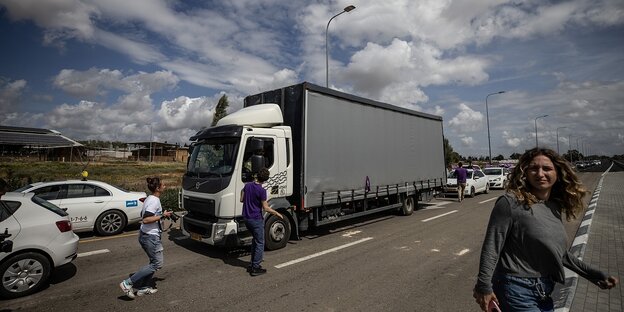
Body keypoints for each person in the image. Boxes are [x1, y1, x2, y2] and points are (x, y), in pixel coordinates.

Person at [473, 148, 618, 311]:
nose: (540, 173)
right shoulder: (510, 202)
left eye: (547, 168)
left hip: (544, 290)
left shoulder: (554, 206)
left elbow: (558, 254)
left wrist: (592, 274)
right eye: (534, 168)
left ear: (558, 173)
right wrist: (484, 286)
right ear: (525, 173)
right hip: (515, 289)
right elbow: (491, 248)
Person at [120, 177, 172, 299]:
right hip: (150, 237)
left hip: (147, 235)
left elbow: (145, 215)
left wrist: (162, 215)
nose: (165, 186)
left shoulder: (150, 198)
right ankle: (127, 283)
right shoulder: (154, 201)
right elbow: (146, 219)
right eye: (163, 185)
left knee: (153, 262)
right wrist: (161, 215)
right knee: (157, 264)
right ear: (158, 188)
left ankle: (144, 288)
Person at [240, 168, 283, 276]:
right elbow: (266, 208)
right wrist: (277, 213)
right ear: (265, 180)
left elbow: (241, 199)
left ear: (257, 175)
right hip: (256, 219)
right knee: (260, 242)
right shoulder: (261, 191)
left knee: (255, 240)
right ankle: (255, 267)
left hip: (246, 218)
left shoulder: (247, 185)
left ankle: (252, 263)